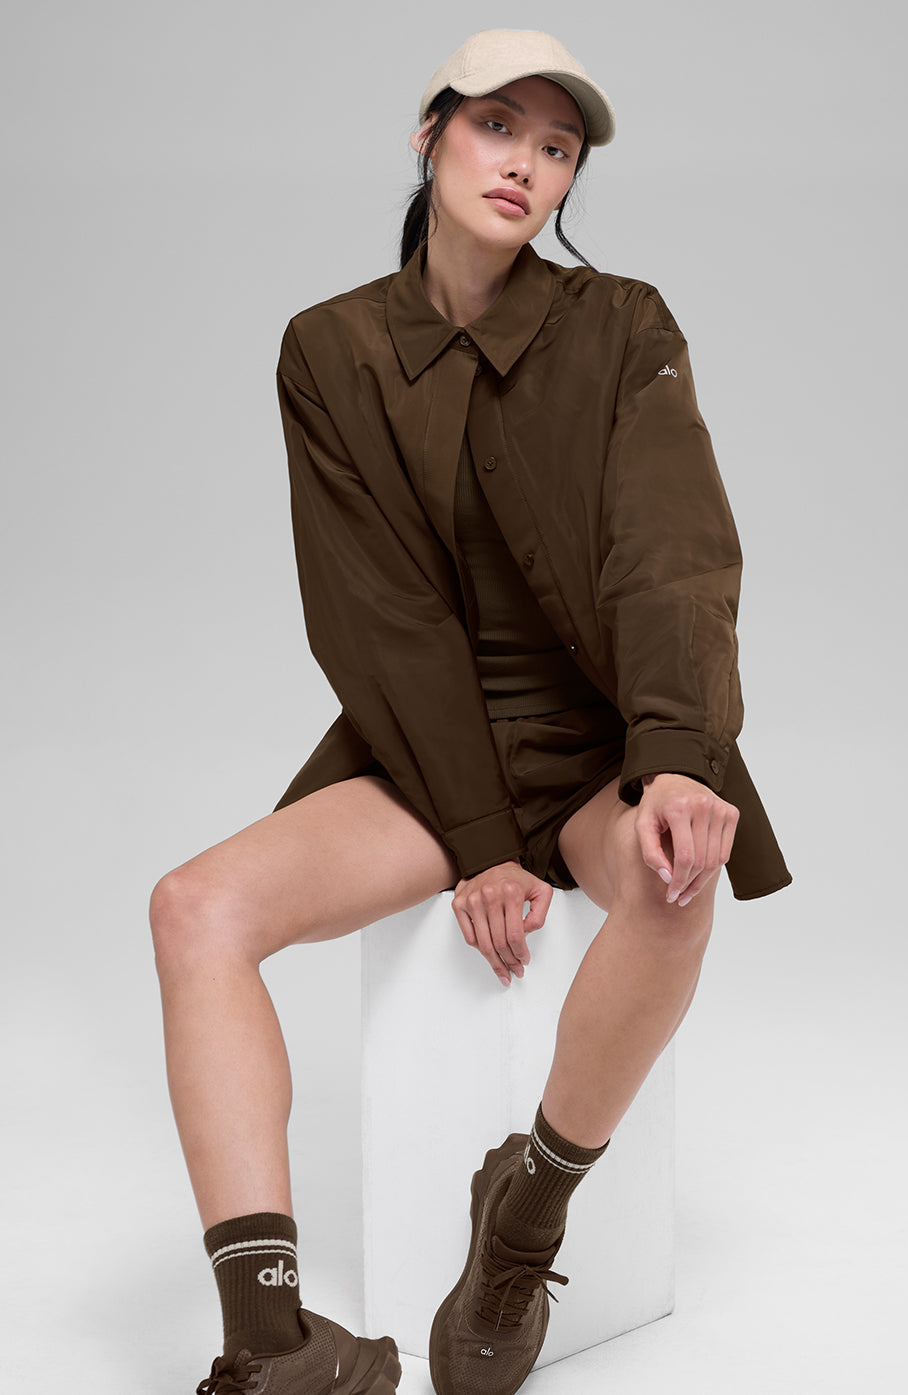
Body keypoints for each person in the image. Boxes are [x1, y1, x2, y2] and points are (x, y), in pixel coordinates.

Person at [150, 27, 792, 1395]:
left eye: (555, 147)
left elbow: (670, 548)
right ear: (428, 134)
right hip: (428, 752)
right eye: (497, 126)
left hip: (599, 744)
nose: (525, 165)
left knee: (676, 879)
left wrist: (677, 757)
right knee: (193, 910)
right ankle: (271, 1344)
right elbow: (378, 614)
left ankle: (525, 1214)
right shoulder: (330, 349)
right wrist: (482, 840)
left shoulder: (622, 324)